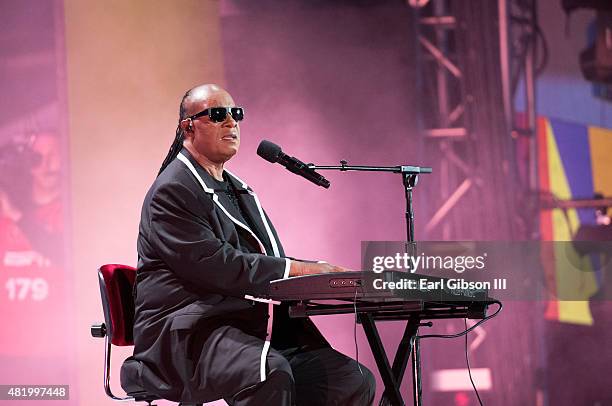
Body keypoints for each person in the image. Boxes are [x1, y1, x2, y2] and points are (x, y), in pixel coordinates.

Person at [124, 84, 375, 405]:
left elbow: (266, 259)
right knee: (269, 373)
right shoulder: (172, 190)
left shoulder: (238, 189)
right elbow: (218, 266)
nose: (231, 122)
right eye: (217, 115)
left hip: (242, 325)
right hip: (187, 332)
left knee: (349, 380)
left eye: (236, 114)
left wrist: (323, 276)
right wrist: (302, 269)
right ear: (188, 126)